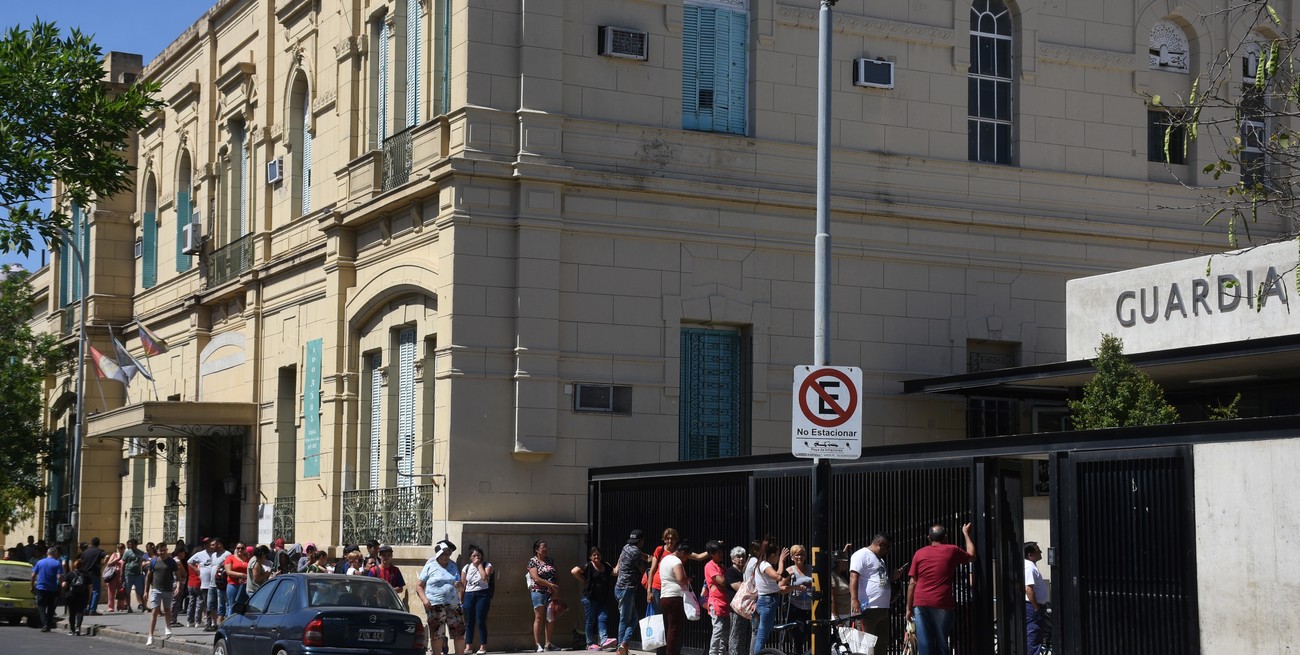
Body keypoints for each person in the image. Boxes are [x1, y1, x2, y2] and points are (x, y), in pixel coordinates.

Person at [905, 523, 976, 655]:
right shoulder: (952, 550)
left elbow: (912, 583)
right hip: (942, 602)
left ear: (928, 538)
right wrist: (966, 534)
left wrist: (908, 608)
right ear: (946, 537)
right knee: (942, 642)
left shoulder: (919, 553)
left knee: (925, 643)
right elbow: (972, 556)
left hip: (920, 602)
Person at [850, 534, 908, 648]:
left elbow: (879, 580)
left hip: (883, 608)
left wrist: (893, 578)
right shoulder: (861, 555)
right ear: (880, 544)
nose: (888, 552)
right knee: (866, 645)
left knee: (881, 644)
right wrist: (854, 599)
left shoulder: (880, 559)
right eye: (888, 548)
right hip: (867, 608)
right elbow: (853, 577)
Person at [417, 540, 467, 655]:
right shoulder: (430, 565)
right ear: (438, 554)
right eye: (443, 553)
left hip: (453, 604)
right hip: (435, 605)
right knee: (437, 634)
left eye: (448, 553)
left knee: (459, 633)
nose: (446, 556)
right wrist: (424, 600)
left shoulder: (453, 565)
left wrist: (460, 586)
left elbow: (460, 587)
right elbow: (419, 585)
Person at [572, 546, 615, 651]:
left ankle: (604, 640)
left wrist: (622, 559)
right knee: (590, 620)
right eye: (594, 555)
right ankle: (589, 643)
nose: (597, 557)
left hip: (602, 598)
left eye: (598, 554)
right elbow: (574, 571)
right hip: (590, 598)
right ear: (590, 557)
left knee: (602, 618)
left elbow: (615, 572)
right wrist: (584, 579)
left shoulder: (606, 565)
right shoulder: (588, 566)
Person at [752, 539, 790, 654]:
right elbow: (778, 576)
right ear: (772, 555)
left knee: (762, 634)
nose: (778, 557)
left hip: (766, 601)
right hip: (767, 601)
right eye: (777, 555)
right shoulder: (765, 564)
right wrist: (782, 561)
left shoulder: (761, 564)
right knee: (762, 635)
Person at [613, 530, 648, 655]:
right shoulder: (636, 552)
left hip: (619, 588)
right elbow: (643, 569)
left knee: (632, 619)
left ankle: (623, 647)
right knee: (626, 619)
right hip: (627, 589)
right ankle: (621, 646)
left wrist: (646, 556)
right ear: (641, 541)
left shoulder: (626, 547)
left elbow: (639, 554)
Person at [658, 541, 692, 655]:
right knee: (674, 628)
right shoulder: (676, 561)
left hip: (664, 596)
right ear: (682, 552)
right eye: (686, 556)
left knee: (669, 626)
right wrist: (688, 579)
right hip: (674, 598)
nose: (686, 559)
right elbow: (680, 579)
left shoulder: (665, 559)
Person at [527, 539, 561, 652]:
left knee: (550, 617)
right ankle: (537, 644)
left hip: (551, 593)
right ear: (537, 550)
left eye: (546, 547)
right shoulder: (533, 561)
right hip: (538, 592)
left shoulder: (550, 560)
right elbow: (536, 578)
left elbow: (556, 576)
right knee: (539, 617)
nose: (545, 549)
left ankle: (548, 643)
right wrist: (550, 585)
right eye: (543, 547)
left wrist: (555, 590)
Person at [145, 542, 179, 646]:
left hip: (168, 590)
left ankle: (168, 628)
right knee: (154, 611)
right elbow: (148, 576)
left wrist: (178, 587)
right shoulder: (154, 561)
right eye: (161, 550)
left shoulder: (171, 562)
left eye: (165, 550)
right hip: (156, 589)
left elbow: (178, 575)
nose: (163, 552)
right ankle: (150, 636)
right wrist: (145, 591)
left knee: (167, 610)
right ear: (158, 551)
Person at [461, 545, 493, 654]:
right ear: (470, 557)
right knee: (469, 621)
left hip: (482, 594)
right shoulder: (466, 567)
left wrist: (479, 565)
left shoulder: (487, 565)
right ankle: (468, 646)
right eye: (474, 556)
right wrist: (461, 599)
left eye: (478, 555)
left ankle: (483, 646)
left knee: (480, 620)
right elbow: (463, 585)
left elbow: (484, 577)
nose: (476, 557)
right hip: (469, 595)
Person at [703, 541, 730, 655]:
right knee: (718, 630)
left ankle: (721, 653)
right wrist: (727, 583)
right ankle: (713, 653)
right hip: (716, 602)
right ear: (711, 554)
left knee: (725, 632)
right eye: (717, 552)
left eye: (721, 552)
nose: (720, 554)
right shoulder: (710, 566)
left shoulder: (723, 567)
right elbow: (723, 581)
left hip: (725, 602)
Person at [784, 545, 814, 650]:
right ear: (792, 557)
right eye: (797, 555)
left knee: (813, 639)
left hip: (811, 609)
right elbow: (780, 588)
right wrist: (796, 587)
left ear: (805, 556)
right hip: (796, 609)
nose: (800, 557)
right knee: (798, 639)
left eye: (802, 554)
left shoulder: (811, 569)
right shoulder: (790, 570)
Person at [188, 538, 219, 631]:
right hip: (205, 585)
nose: (207, 545)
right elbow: (189, 562)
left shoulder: (215, 554)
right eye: (204, 544)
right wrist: (196, 570)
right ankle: (208, 623)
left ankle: (214, 622)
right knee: (207, 605)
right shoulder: (200, 554)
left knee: (215, 605)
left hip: (215, 583)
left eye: (208, 543)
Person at [1024, 542, 1049, 655]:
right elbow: (1029, 589)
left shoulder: (1031, 565)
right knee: (1033, 637)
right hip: (1033, 608)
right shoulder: (1029, 567)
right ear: (1030, 554)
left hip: (1035, 606)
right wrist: (1037, 608)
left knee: (1035, 636)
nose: (1041, 552)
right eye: (1038, 550)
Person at [725, 546, 750, 655]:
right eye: (738, 557)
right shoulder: (731, 572)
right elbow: (739, 588)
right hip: (736, 608)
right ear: (732, 559)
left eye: (743, 556)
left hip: (746, 608)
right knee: (735, 635)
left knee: (745, 635)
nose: (741, 559)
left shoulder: (745, 572)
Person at [31, 546, 63, 632]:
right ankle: (48, 624)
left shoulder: (40, 562)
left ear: (47, 553)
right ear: (55, 554)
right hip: (52, 588)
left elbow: (33, 575)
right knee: (51, 608)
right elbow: (59, 576)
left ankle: (45, 624)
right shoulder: (57, 563)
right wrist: (60, 586)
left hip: (41, 587)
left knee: (41, 607)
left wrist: (32, 586)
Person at [77, 536, 106, 616]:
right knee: (96, 591)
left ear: (91, 543)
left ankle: (84, 609)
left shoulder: (85, 552)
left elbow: (80, 561)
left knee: (85, 591)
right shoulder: (99, 551)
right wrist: (102, 564)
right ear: (98, 543)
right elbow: (107, 556)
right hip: (95, 573)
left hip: (84, 573)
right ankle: (92, 609)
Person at [63, 562, 91, 635]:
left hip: (71, 595)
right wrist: (89, 597)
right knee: (80, 612)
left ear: (74, 566)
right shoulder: (86, 575)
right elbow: (89, 587)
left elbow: (64, 585)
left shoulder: (69, 574)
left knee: (72, 613)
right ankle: (78, 628)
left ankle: (72, 630)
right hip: (82, 595)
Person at [223, 544, 251, 616]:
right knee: (232, 606)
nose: (240, 550)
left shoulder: (248, 559)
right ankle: (229, 624)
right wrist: (241, 575)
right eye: (238, 548)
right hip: (233, 585)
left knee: (243, 606)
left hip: (245, 586)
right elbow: (228, 572)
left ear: (245, 549)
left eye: (242, 548)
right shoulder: (230, 558)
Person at [122, 539, 147, 613]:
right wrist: (121, 575)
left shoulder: (141, 553)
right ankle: (129, 607)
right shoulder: (127, 553)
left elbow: (144, 560)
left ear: (136, 544)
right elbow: (123, 563)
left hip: (138, 574)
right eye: (129, 544)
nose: (130, 546)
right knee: (127, 591)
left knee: (140, 591)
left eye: (132, 544)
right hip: (128, 573)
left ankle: (144, 606)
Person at [103, 542, 124, 613]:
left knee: (121, 591)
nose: (120, 550)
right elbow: (109, 564)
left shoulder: (125, 555)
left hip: (122, 575)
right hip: (113, 575)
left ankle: (120, 607)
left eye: (121, 548)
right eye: (119, 548)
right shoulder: (115, 555)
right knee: (111, 591)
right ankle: (110, 607)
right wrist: (117, 559)